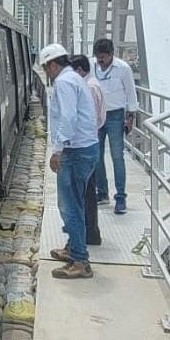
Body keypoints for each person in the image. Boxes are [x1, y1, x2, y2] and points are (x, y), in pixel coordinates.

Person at [38, 43, 100, 279]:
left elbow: (68, 117)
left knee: (69, 206)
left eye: (46, 68)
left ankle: (80, 261)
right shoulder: (74, 77)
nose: (46, 73)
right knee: (77, 202)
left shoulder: (63, 82)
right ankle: (74, 248)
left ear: (53, 64)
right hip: (86, 148)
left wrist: (57, 151)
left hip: (74, 151)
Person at [91, 38, 139, 215]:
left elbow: (131, 93)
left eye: (103, 57)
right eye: (98, 57)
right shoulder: (92, 65)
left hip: (115, 116)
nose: (100, 61)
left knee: (117, 156)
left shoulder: (123, 69)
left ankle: (121, 198)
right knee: (96, 155)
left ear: (111, 54)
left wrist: (130, 116)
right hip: (96, 115)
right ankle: (102, 193)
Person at [70, 55, 106, 241]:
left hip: (86, 142)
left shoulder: (89, 87)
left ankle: (90, 232)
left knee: (86, 190)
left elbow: (89, 118)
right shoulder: (92, 84)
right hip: (90, 139)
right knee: (87, 189)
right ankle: (89, 230)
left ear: (80, 70)